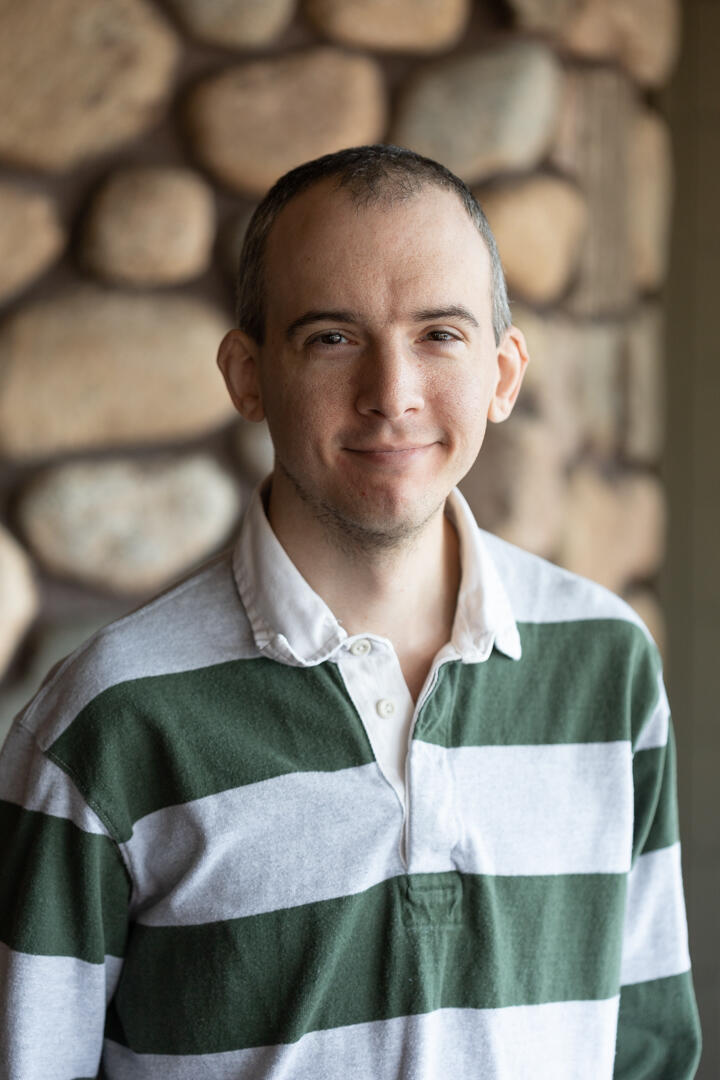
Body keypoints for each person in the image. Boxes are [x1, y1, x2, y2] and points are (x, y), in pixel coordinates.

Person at [0, 144, 701, 1079]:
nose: (392, 395)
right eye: (331, 337)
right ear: (247, 375)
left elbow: (648, 1051)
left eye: (440, 335)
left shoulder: (607, 665)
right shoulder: (105, 722)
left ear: (503, 372)